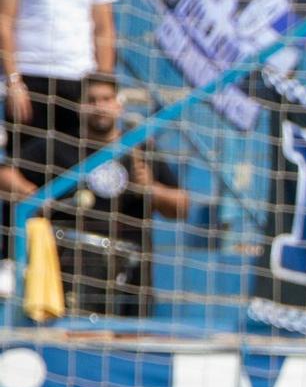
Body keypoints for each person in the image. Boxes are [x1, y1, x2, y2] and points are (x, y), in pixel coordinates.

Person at [0, 74, 186, 317]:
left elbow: (182, 206)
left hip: (130, 270)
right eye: (92, 100)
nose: (100, 106)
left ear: (118, 105)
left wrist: (151, 188)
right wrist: (32, 194)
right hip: (66, 266)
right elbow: (5, 174)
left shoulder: (140, 148)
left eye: (106, 99)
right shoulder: (59, 144)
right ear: (80, 106)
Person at [0, 0, 116, 169]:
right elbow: (4, 22)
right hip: (30, 77)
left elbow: (104, 27)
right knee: (23, 165)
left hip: (78, 77)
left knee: (74, 165)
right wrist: (13, 81)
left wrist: (104, 83)